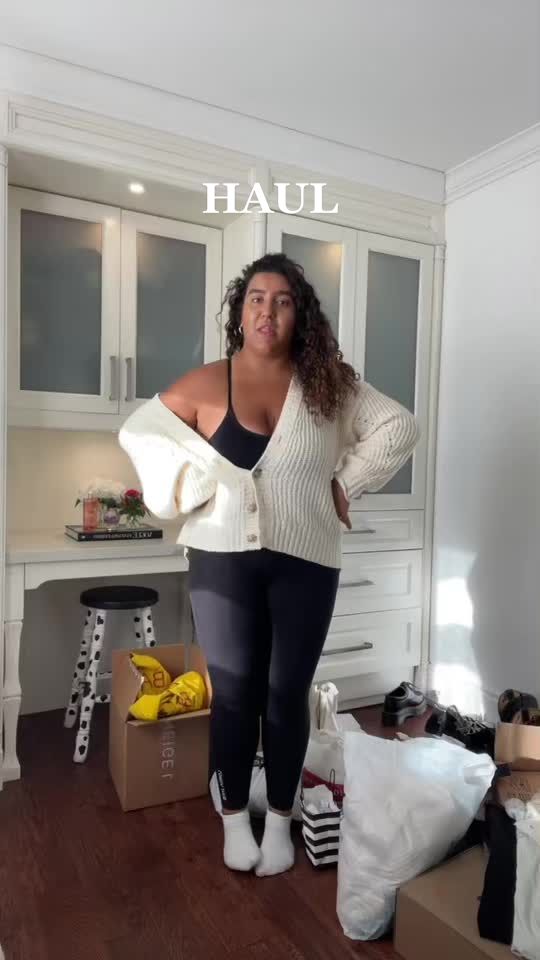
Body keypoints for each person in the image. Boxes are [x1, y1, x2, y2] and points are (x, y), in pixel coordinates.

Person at [119, 252, 419, 876]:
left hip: (307, 561)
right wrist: (195, 481)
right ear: (240, 311)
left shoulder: (328, 384)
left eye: (283, 301)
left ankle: (280, 818)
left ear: (298, 315)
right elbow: (139, 433)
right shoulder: (208, 382)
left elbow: (398, 426)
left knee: (286, 694)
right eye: (256, 298)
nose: (268, 311)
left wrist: (347, 482)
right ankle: (234, 817)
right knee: (235, 694)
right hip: (222, 563)